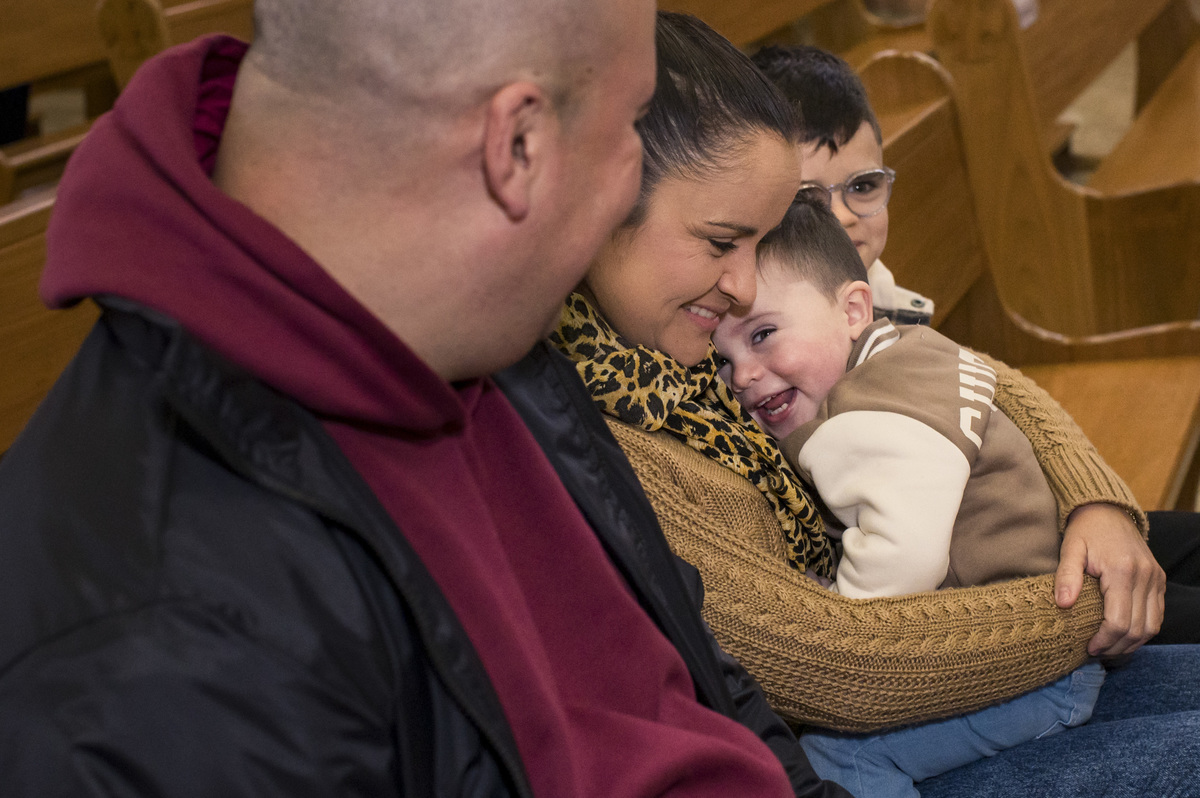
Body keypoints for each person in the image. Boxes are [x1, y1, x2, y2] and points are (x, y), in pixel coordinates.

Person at [0, 2, 852, 795]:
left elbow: (692, 669)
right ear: (515, 145)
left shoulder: (473, 319)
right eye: (632, 126)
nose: (635, 173)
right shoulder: (159, 647)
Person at [552, 15, 1200, 796]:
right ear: (604, 202)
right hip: (883, 709)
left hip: (958, 615)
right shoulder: (623, 425)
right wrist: (1093, 604)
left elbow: (960, 373)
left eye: (757, 245)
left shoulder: (684, 329)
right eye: (724, 242)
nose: (749, 281)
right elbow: (836, 668)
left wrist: (1097, 502)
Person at [753, 42, 1200, 646]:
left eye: (863, 185)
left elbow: (994, 383)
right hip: (984, 580)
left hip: (999, 512)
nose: (843, 218)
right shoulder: (757, 332)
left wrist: (1097, 502)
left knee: (1181, 539)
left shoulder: (873, 288)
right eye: (807, 200)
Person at [713, 195, 1107, 796]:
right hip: (1038, 648)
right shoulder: (906, 355)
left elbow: (905, 559)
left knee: (835, 760)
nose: (742, 375)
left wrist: (836, 604)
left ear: (852, 309)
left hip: (1024, 671)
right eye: (723, 360)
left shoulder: (870, 410)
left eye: (762, 335)